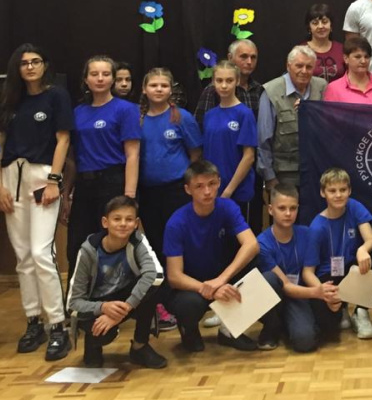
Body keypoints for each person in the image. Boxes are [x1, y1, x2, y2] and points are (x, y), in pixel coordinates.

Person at [0, 43, 73, 361]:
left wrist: (55, 180)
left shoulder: (56, 95)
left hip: (42, 176)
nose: (30, 67)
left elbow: (63, 139)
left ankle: (58, 325)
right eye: (24, 63)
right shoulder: (9, 100)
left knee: (42, 252)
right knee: (23, 256)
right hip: (10, 177)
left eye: (35, 61)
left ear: (45, 65)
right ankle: (34, 321)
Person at [162, 160, 259, 352]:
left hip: (221, 276)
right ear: (188, 189)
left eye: (212, 184)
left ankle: (229, 330)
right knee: (188, 304)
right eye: (199, 186)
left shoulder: (228, 207)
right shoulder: (176, 223)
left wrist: (222, 280)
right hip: (192, 287)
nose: (207, 191)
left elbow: (252, 244)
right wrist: (211, 289)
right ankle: (189, 330)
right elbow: (174, 276)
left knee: (259, 264)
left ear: (219, 183)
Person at [66, 196, 166, 369]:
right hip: (97, 305)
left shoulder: (138, 241)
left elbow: (155, 275)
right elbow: (72, 304)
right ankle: (93, 344)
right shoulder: (88, 250)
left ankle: (140, 346)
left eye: (129, 219)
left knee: (153, 286)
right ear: (105, 222)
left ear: (136, 223)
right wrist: (103, 308)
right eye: (117, 219)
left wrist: (126, 307)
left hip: (124, 301)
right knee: (103, 334)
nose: (123, 224)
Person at [137, 67, 203, 331]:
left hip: (177, 192)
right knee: (155, 247)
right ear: (144, 89)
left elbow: (195, 154)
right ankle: (162, 304)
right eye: (153, 85)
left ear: (171, 89)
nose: (159, 89)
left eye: (164, 85)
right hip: (148, 192)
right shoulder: (138, 119)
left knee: (179, 246)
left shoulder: (181, 117)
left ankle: (188, 301)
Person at [67, 56, 140, 279]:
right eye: (94, 74)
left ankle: (115, 295)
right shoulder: (77, 112)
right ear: (85, 79)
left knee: (113, 244)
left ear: (113, 79)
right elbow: (72, 158)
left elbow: (133, 154)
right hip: (84, 185)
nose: (100, 79)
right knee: (77, 245)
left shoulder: (126, 109)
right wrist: (66, 193)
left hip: (112, 182)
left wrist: (129, 196)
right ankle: (77, 296)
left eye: (106, 74)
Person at [256, 184, 342, 352]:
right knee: (269, 279)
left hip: (301, 294)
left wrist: (327, 295)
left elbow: (309, 273)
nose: (288, 213)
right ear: (271, 210)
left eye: (293, 208)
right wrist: (317, 292)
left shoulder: (307, 234)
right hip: (278, 296)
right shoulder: (262, 243)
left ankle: (291, 326)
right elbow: (286, 286)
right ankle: (272, 327)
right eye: (282, 208)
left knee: (306, 342)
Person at [307, 168, 372, 339]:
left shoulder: (354, 206)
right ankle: (341, 309)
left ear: (349, 191)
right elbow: (308, 272)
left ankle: (361, 311)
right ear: (323, 193)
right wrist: (322, 291)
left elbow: (371, 239)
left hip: (350, 269)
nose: (338, 195)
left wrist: (362, 249)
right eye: (332, 191)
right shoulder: (316, 227)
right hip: (328, 277)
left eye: (343, 190)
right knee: (329, 329)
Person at [258, 45, 327, 189]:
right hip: (284, 174)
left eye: (309, 67)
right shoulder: (271, 91)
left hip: (316, 171)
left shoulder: (322, 88)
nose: (304, 71)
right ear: (288, 66)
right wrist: (269, 177)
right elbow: (263, 140)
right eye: (299, 66)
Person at [201, 61, 258, 222]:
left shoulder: (244, 114)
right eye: (219, 80)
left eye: (229, 80)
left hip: (237, 192)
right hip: (212, 191)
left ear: (237, 81)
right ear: (213, 82)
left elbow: (249, 157)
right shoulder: (209, 115)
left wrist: (228, 191)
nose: (224, 85)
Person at [194, 40, 263, 128]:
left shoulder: (259, 89)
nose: (249, 62)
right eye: (244, 56)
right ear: (230, 58)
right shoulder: (214, 90)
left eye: (253, 57)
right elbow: (199, 125)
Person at [322, 36, 372, 104]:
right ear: (346, 58)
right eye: (358, 57)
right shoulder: (334, 89)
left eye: (366, 57)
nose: (363, 61)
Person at [303, 3, 345, 82]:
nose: (320, 26)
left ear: (331, 25)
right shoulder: (301, 51)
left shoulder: (342, 50)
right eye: (315, 23)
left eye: (324, 22)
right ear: (309, 28)